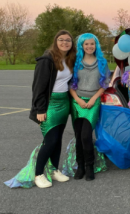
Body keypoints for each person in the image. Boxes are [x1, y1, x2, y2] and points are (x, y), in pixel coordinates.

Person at [4, 30, 76, 188]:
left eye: (68, 40)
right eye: (61, 40)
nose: (65, 42)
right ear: (55, 41)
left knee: (57, 140)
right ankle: (38, 174)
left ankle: (54, 170)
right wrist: (40, 109)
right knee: (49, 141)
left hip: (64, 103)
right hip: (49, 105)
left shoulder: (69, 59)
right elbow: (38, 87)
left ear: (72, 44)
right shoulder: (47, 60)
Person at [69, 33, 110, 181]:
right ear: (82, 46)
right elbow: (70, 84)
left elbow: (104, 84)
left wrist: (93, 98)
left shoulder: (102, 62)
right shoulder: (75, 61)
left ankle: (89, 166)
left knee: (86, 135)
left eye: (92, 44)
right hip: (77, 102)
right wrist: (77, 99)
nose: (89, 46)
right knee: (78, 136)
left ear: (96, 45)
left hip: (93, 101)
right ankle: (80, 166)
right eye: (86, 44)